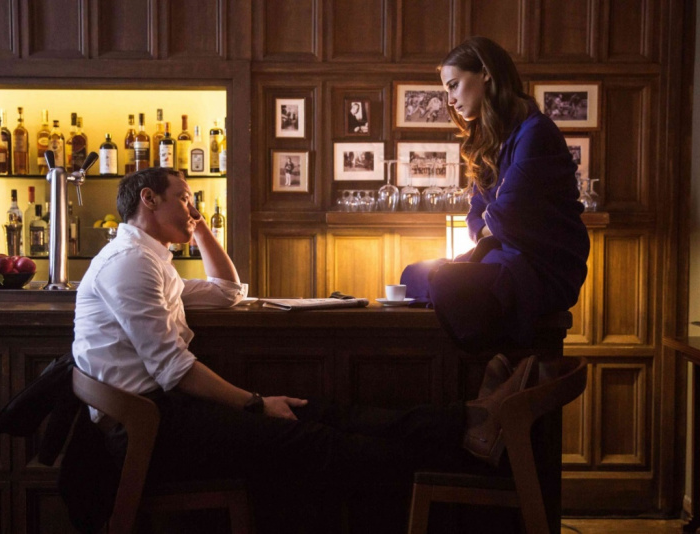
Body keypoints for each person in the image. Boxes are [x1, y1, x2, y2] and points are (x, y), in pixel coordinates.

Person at [72, 167, 503, 533]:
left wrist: (198, 226)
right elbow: (174, 370)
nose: (193, 208)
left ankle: (465, 421)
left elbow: (227, 291)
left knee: (324, 413)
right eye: (185, 199)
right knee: (317, 440)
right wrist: (256, 403)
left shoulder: (148, 261)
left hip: (169, 413)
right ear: (149, 199)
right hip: (153, 429)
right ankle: (463, 458)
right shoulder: (129, 264)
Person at [401, 36, 589, 353]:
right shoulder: (491, 141)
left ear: (485, 73)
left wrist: (493, 222)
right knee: (411, 276)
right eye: (447, 90)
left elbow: (507, 218)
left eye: (454, 85)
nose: (450, 100)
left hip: (540, 267)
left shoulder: (536, 131)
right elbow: (476, 217)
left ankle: (492, 369)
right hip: (499, 256)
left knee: (447, 282)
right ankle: (487, 366)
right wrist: (492, 222)